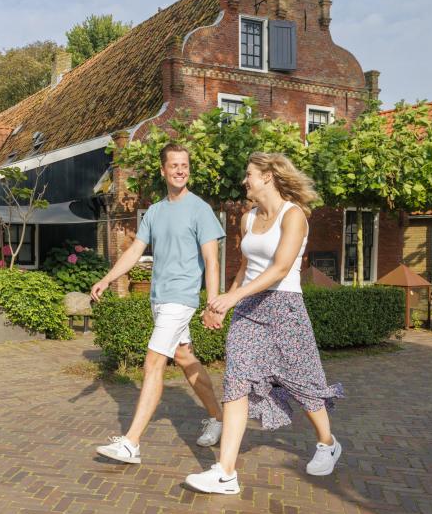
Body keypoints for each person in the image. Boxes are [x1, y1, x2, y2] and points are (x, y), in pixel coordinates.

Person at [185, 152, 343, 494]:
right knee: (236, 381)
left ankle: (327, 442)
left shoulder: (294, 215)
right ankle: (226, 472)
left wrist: (232, 298)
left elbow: (281, 268)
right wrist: (225, 303)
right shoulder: (248, 217)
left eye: (250, 174)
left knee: (302, 382)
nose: (245, 181)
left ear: (268, 176)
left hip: (284, 307)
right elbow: (246, 267)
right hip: (248, 310)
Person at [92, 142, 225, 464]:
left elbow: (212, 260)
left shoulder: (200, 209)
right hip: (159, 298)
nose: (181, 170)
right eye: (175, 165)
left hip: (181, 298)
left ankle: (131, 443)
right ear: (164, 170)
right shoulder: (155, 211)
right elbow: (136, 251)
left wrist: (213, 302)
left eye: (185, 165)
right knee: (184, 358)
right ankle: (220, 418)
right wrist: (108, 278)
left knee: (153, 363)